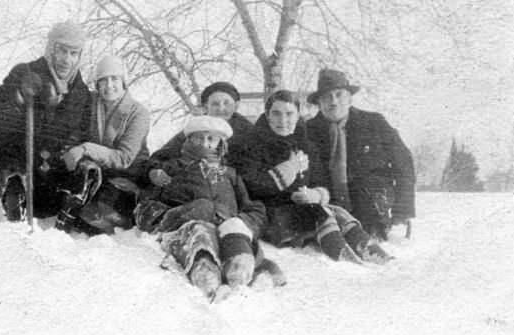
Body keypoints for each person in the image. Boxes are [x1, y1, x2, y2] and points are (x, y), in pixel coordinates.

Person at [228, 90, 391, 263]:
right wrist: (289, 169)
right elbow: (252, 185)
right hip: (270, 214)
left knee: (337, 211)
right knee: (320, 213)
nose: (283, 120)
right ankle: (341, 254)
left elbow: (321, 181)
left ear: (298, 115)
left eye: (289, 114)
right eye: (276, 113)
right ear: (267, 115)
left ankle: (366, 247)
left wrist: (316, 194)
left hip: (301, 210)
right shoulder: (251, 144)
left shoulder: (306, 145)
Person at [136, 115, 284, 302]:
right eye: (199, 137)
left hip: (225, 226)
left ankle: (240, 269)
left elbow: (252, 207)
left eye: (211, 139)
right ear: (189, 140)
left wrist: (244, 221)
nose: (205, 143)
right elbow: (150, 205)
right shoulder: (172, 169)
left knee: (234, 228)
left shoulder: (230, 174)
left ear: (220, 143)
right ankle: (205, 271)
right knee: (201, 231)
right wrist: (181, 213)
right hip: (189, 227)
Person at [0, 21, 93, 221]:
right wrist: (18, 96)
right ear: (51, 49)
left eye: (73, 53)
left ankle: (68, 203)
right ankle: (11, 184)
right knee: (9, 118)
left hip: (50, 168)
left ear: (79, 56)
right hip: (20, 158)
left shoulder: (81, 93)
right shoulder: (25, 72)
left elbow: (83, 130)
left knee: (74, 172)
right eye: (62, 51)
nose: (66, 60)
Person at [305, 68, 415, 239]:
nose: (333, 102)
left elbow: (404, 164)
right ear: (319, 103)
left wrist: (402, 211)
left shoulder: (374, 123)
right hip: (328, 208)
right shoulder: (308, 131)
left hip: (372, 207)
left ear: (349, 98)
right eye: (326, 97)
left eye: (339, 94)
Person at [55, 54, 151, 234]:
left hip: (127, 175)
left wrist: (85, 148)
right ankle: (66, 217)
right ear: (97, 84)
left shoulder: (139, 113)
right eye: (103, 81)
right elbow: (73, 129)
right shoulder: (90, 104)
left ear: (123, 81)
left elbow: (124, 158)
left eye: (114, 79)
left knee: (102, 209)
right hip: (95, 172)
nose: (109, 86)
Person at [145, 81, 254, 188]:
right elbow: (160, 156)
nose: (221, 109)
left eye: (227, 103)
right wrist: (153, 171)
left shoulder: (250, 133)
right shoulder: (196, 130)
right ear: (206, 107)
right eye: (215, 104)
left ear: (236, 105)